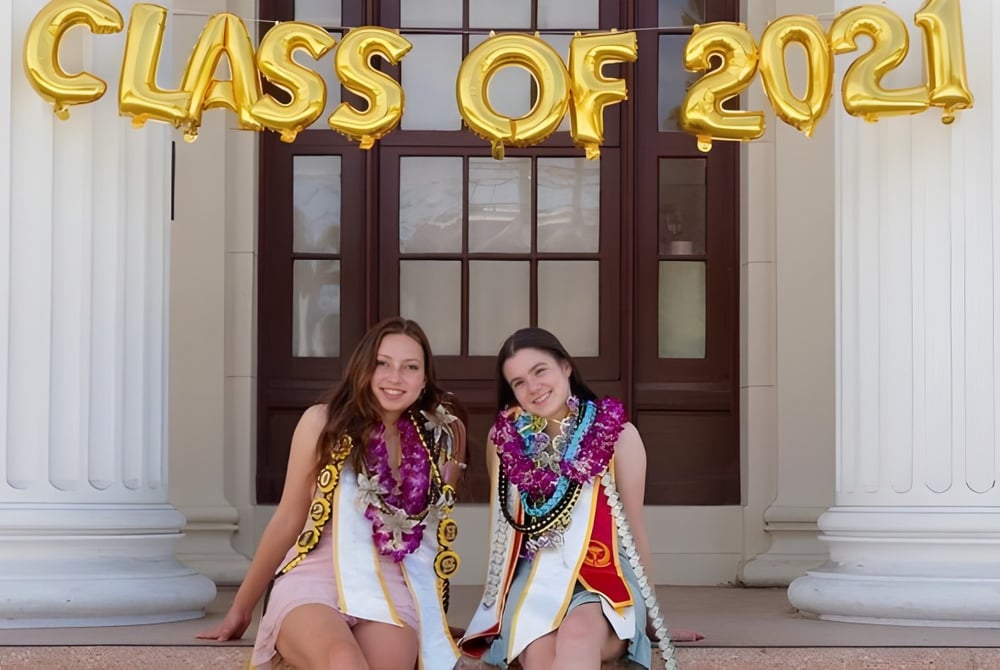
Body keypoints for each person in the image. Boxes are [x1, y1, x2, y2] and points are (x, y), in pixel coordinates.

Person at [197, 317, 467, 669]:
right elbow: (289, 517)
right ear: (362, 368)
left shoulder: (443, 437)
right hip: (316, 580)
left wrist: (436, 616)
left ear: (424, 379)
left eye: (410, 367)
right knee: (342, 661)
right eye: (382, 364)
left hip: (390, 588)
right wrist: (242, 607)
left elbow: (434, 535)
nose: (395, 378)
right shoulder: (322, 422)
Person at [459, 327, 700, 670]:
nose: (533, 388)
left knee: (576, 636)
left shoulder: (617, 435)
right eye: (518, 382)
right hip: (535, 580)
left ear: (566, 367)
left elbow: (634, 531)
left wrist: (652, 621)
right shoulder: (504, 441)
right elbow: (502, 535)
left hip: (604, 577)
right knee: (540, 652)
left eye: (540, 371)